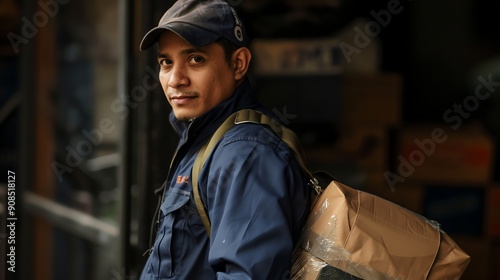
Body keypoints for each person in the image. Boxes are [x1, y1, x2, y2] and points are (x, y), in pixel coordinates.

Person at [138, 0, 311, 279]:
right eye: (166, 62)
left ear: (238, 63)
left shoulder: (246, 155)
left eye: (196, 59)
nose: (175, 79)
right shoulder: (203, 137)